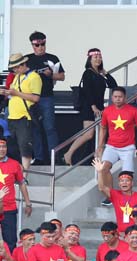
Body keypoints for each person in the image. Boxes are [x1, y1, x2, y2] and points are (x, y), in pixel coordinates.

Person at [65, 48, 117, 165]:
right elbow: (87, 91)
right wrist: (93, 106)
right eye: (95, 57)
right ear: (90, 59)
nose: (98, 59)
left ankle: (98, 157)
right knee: (88, 134)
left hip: (100, 107)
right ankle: (68, 153)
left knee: (101, 134)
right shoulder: (88, 73)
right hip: (89, 107)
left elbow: (114, 85)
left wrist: (105, 73)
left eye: (100, 57)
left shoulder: (99, 74)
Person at [26, 31, 64, 162]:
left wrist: (51, 75)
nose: (41, 47)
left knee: (50, 127)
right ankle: (38, 157)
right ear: (32, 45)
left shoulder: (52, 58)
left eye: (43, 44)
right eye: (37, 45)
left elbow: (62, 76)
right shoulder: (27, 59)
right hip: (31, 97)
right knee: (34, 128)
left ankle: (54, 157)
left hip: (47, 96)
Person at [1, 53, 42, 171]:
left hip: (24, 117)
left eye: (17, 67)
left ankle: (24, 176)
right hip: (12, 116)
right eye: (13, 68)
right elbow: (13, 93)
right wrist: (5, 92)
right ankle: (16, 172)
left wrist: (16, 93)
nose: (15, 70)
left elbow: (36, 98)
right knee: (12, 148)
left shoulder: (34, 77)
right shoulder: (17, 77)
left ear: (24, 64)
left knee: (25, 147)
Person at [96, 87, 137, 181]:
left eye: (120, 97)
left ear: (125, 97)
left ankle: (126, 191)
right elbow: (103, 128)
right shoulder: (107, 111)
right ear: (112, 98)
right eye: (115, 97)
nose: (118, 99)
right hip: (111, 146)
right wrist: (100, 146)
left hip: (128, 147)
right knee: (103, 169)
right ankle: (110, 190)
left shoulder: (133, 110)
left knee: (127, 176)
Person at [91, 159, 137, 234]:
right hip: (121, 233)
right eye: (122, 181)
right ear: (119, 184)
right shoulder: (115, 194)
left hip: (135, 233)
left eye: (127, 181)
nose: (124, 183)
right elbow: (102, 188)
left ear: (132, 183)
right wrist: (100, 172)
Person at [0, 139, 31, 251]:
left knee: (11, 242)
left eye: (4, 146)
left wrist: (28, 203)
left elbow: (22, 183)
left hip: (9, 208)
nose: (2, 149)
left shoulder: (14, 164)